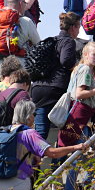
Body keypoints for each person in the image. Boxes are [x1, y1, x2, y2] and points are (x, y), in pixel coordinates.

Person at [59, 42, 95, 190]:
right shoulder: (85, 69)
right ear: (85, 55)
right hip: (80, 118)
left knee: (92, 153)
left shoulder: (86, 69)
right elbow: (79, 94)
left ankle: (76, 188)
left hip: (83, 118)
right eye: (94, 55)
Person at [30, 12, 80, 140]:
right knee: (66, 130)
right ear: (73, 27)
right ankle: (60, 159)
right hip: (55, 90)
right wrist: (79, 66)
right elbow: (66, 61)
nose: (79, 31)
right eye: (78, 27)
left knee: (41, 131)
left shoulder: (51, 40)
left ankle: (33, 158)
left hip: (38, 88)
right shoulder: (68, 41)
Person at [0, 0, 41, 78]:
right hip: (17, 71)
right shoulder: (26, 21)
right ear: (21, 3)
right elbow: (38, 44)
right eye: (25, 3)